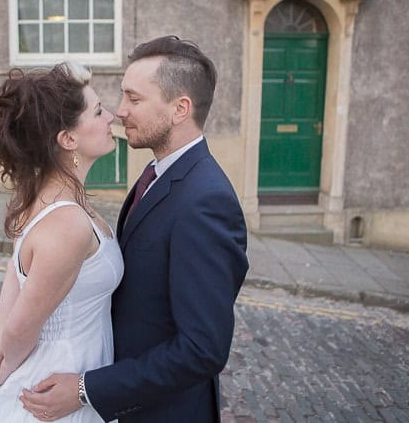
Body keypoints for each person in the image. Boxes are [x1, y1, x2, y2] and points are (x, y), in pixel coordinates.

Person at [20, 36, 249, 422]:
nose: (119, 111)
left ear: (180, 109)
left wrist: (87, 389)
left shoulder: (206, 201)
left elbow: (202, 349)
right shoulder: (158, 173)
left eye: (134, 99)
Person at [0, 63, 124, 423]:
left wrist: (1, 348)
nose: (111, 117)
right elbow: (22, 326)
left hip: (75, 373)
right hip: (59, 383)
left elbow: (16, 275)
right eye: (98, 111)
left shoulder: (45, 198)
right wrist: (7, 363)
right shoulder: (67, 223)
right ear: (68, 139)